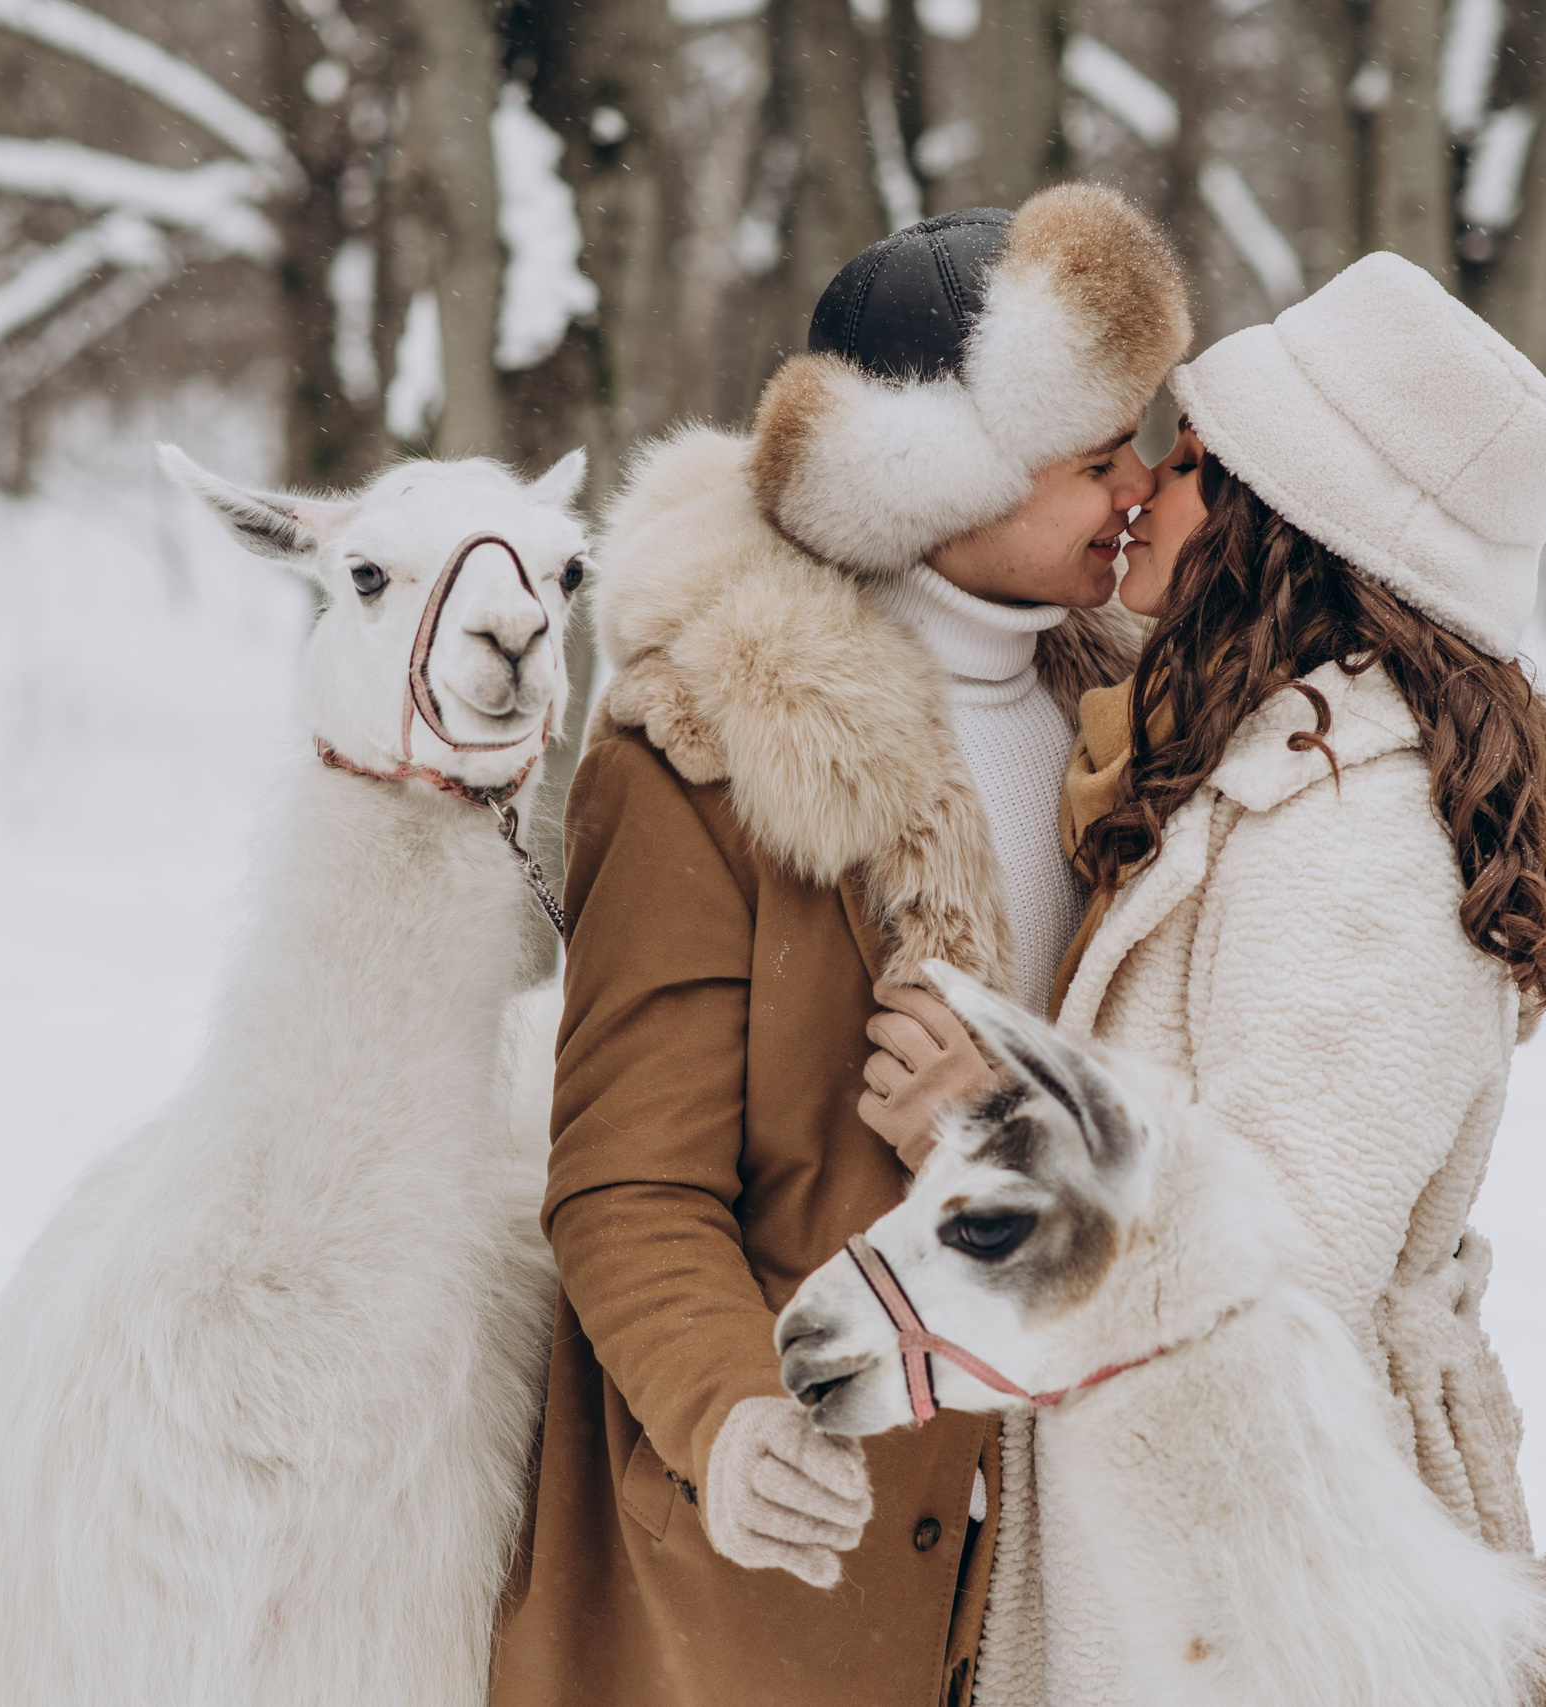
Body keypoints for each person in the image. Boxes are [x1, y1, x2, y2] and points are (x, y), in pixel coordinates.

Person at [858, 251, 1546, 1704]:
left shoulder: (1354, 837)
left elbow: (1278, 1289)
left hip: (1263, 1607)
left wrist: (986, 1139)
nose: (1142, 483)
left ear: (1286, 534)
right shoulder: (1272, 765)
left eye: (1190, 463)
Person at [488, 183, 1190, 1707]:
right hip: (781, 1591)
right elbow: (626, 1181)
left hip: (1063, 1562)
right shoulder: (704, 758)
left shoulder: (1135, 737)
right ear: (936, 483)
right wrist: (737, 1417)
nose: (1139, 481)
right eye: (1094, 457)